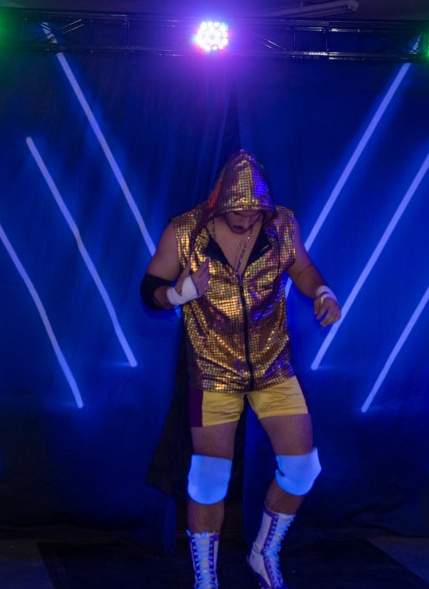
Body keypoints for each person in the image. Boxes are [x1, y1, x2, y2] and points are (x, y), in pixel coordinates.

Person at [141, 150, 341, 588]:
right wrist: (176, 295)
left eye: (254, 211)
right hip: (213, 372)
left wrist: (322, 292)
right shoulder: (185, 231)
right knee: (209, 480)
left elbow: (303, 267)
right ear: (219, 200)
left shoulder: (281, 225)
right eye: (237, 210)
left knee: (303, 469)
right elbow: (149, 288)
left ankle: (264, 552)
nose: (246, 218)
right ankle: (206, 577)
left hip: (273, 366)